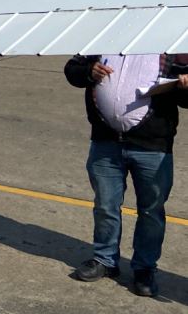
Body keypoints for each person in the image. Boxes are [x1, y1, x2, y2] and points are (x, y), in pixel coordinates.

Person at [64, 53, 188, 297]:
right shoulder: (106, 38)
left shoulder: (173, 49)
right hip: (105, 141)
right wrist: (90, 71)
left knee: (151, 211)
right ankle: (105, 260)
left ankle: (144, 269)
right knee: (105, 205)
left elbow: (185, 99)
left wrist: (184, 85)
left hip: (152, 145)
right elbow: (72, 69)